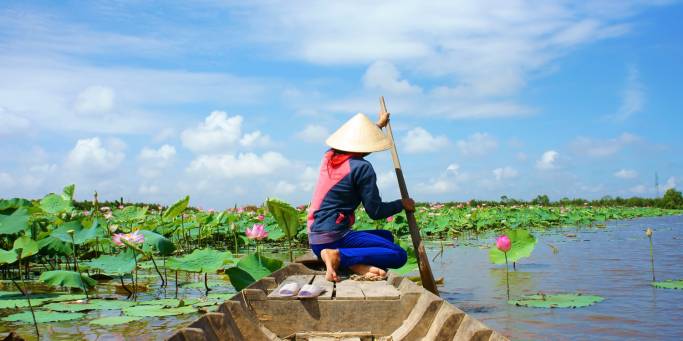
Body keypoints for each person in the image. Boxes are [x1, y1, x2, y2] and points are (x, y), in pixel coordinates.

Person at [307, 111, 415, 282]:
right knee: (399, 255)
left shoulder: (328, 157)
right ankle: (338, 256)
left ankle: (353, 264)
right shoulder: (362, 168)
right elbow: (376, 211)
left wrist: (378, 125)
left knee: (386, 236)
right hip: (334, 238)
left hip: (315, 240)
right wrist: (402, 203)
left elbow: (356, 141)